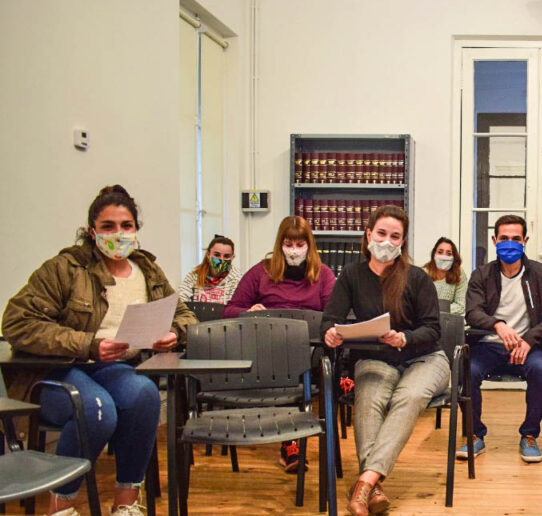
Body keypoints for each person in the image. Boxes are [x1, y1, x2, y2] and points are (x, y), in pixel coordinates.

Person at [2, 185, 196, 516]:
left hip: (115, 370)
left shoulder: (147, 271)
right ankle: (61, 505)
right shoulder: (64, 268)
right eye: (108, 226)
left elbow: (184, 315)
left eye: (126, 226)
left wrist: (173, 334)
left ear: (136, 230)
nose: (118, 234)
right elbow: (17, 322)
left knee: (145, 395)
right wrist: (89, 344)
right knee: (95, 409)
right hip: (59, 371)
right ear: (92, 231)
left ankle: (125, 503)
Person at [321, 205, 448, 516]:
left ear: (402, 242)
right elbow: (329, 320)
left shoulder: (417, 277)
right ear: (368, 235)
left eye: (395, 237)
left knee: (410, 396)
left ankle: (364, 482)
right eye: (381, 234)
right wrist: (330, 334)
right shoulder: (351, 275)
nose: (387, 242)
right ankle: (373, 488)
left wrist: (404, 337)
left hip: (425, 358)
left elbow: (433, 329)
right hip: (375, 357)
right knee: (369, 400)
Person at [223, 215, 336, 472]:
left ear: (309, 246)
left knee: (312, 363)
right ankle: (291, 442)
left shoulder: (322, 274)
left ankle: (293, 439)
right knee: (285, 368)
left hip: (309, 351)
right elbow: (230, 310)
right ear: (279, 245)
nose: (294, 251)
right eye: (288, 244)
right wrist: (250, 310)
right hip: (268, 353)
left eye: (299, 245)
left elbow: (333, 314)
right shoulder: (261, 272)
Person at [459, 215, 542, 462]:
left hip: (528, 347)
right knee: (467, 371)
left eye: (516, 239)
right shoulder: (481, 275)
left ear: (525, 240)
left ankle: (529, 435)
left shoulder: (539, 273)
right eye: (504, 238)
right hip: (488, 345)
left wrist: (528, 340)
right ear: (494, 240)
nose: (509, 243)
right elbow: (472, 312)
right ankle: (475, 435)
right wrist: (497, 324)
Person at [178, 234, 242, 304]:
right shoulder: (194, 275)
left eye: (226, 256)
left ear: (232, 257)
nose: (221, 259)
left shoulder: (238, 279)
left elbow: (236, 307)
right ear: (208, 255)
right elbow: (180, 301)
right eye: (217, 255)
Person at [423, 237, 468, 315]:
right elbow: (419, 305)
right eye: (440, 252)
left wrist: (435, 310)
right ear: (434, 254)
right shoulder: (423, 273)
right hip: (425, 320)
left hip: (449, 322)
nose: (444, 256)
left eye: (448, 253)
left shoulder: (459, 273)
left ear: (454, 257)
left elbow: (461, 306)